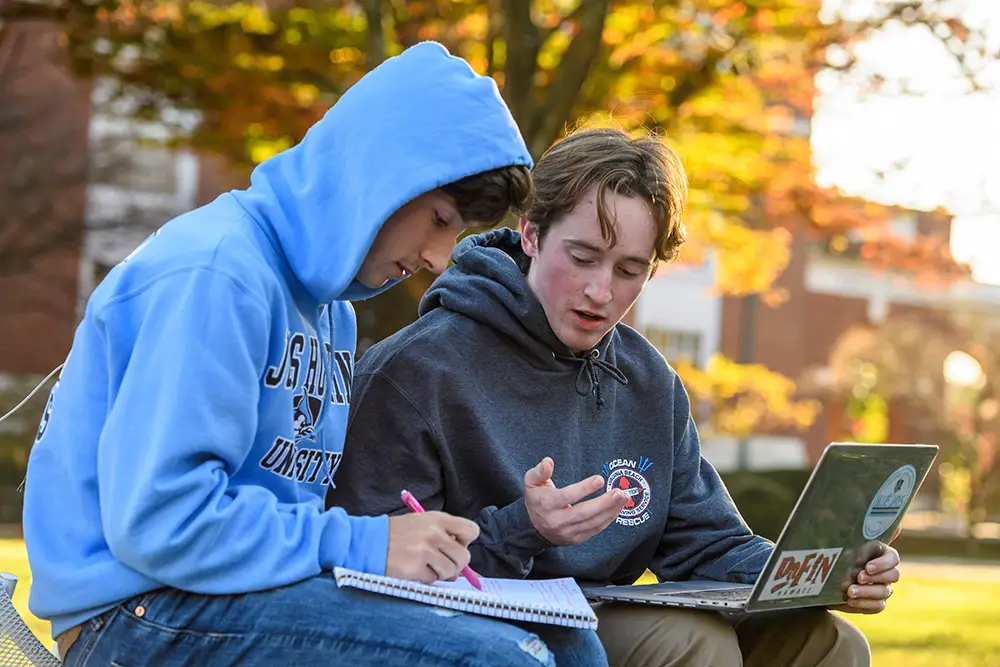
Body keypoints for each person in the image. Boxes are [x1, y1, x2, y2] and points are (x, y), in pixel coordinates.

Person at [22, 42, 606, 667]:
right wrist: (364, 544)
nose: (440, 257)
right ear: (378, 181)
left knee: (569, 645)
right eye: (439, 219)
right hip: (137, 611)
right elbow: (164, 522)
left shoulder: (333, 313)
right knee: (503, 661)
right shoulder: (217, 274)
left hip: (247, 592)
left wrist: (402, 552)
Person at [327, 125, 900, 667]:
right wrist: (524, 528)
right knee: (693, 644)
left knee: (828, 643)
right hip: (480, 625)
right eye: (582, 258)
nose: (601, 292)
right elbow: (375, 568)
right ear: (531, 233)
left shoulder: (647, 377)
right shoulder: (417, 370)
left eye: (630, 270)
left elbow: (704, 542)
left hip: (607, 612)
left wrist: (820, 570)